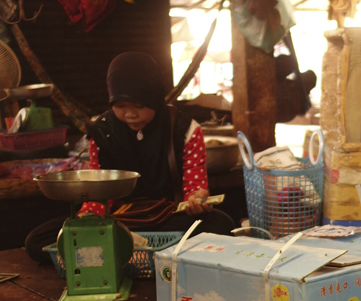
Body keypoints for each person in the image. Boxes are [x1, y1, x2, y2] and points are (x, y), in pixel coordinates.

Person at [24, 52, 233, 262]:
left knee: (221, 225)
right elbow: (99, 192)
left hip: (168, 217)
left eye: (138, 106)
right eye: (120, 106)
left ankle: (115, 255)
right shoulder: (103, 131)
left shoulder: (184, 128)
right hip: (119, 219)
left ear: (153, 97)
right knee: (38, 240)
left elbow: (194, 187)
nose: (130, 114)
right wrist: (88, 217)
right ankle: (153, 254)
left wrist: (197, 198)